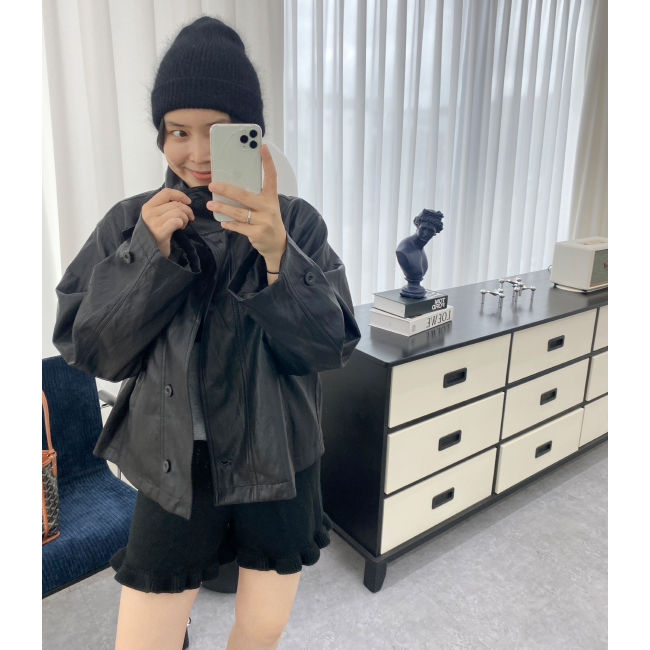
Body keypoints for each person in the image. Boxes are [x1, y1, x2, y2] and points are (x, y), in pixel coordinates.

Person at [52, 15, 361, 650]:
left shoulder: (295, 224)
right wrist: (147, 256)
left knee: (261, 630)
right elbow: (89, 349)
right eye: (178, 131)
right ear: (161, 135)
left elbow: (329, 346)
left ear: (251, 136)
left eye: (219, 132)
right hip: (175, 466)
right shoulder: (131, 223)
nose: (197, 153)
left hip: (278, 459)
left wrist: (277, 254)